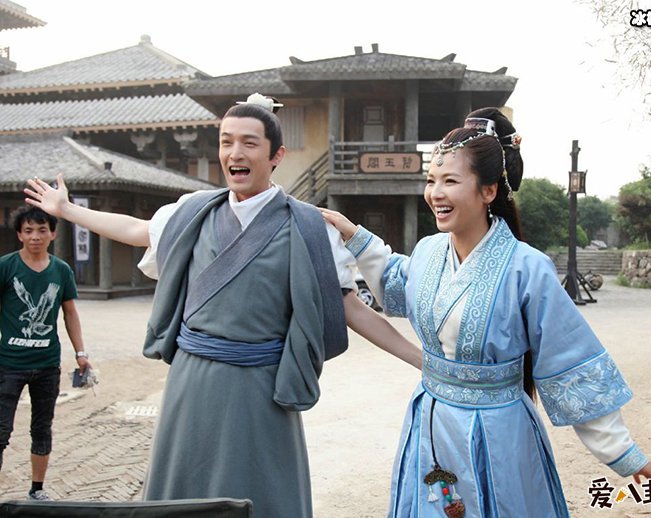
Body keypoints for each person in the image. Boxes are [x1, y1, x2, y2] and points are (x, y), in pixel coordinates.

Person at [24, 93, 421, 517]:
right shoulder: (193, 212)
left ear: (276, 155)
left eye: (249, 143)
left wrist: (423, 361)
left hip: (262, 384)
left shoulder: (308, 227)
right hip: (192, 379)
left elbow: (350, 307)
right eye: (226, 141)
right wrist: (66, 209)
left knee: (262, 490)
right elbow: (137, 230)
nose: (235, 153)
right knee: (185, 492)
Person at [321, 107, 651, 517]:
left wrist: (626, 455)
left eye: (450, 181)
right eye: (432, 180)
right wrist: (352, 233)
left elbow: (569, 364)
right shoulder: (428, 252)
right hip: (431, 422)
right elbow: (397, 282)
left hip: (499, 432)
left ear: (488, 191)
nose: (435, 193)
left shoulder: (528, 269)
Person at [0, 206, 92, 501]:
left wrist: (80, 352)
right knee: (1, 431)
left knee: (42, 429)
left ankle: (37, 490)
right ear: (19, 235)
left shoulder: (61, 270)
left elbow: (70, 313)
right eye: (28, 230)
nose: (35, 236)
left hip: (47, 365)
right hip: (8, 365)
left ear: (52, 234)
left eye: (42, 230)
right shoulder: (6, 266)